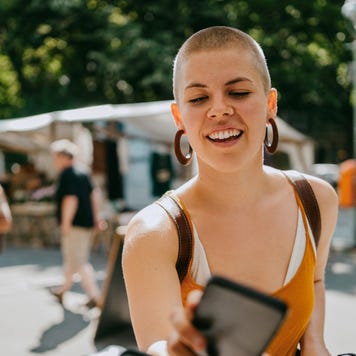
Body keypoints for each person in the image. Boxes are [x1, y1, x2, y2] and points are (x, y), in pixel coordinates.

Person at [122, 26, 338, 355]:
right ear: (179, 116)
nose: (219, 109)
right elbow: (157, 345)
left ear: (270, 103)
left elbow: (315, 281)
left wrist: (315, 343)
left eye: (237, 92)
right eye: (198, 98)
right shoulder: (156, 232)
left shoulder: (316, 201)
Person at [50, 139, 102, 308]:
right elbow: (94, 196)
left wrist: (65, 223)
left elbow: (70, 200)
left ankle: (95, 296)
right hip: (86, 223)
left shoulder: (67, 174)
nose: (55, 161)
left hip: (75, 225)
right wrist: (96, 218)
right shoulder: (83, 172)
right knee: (72, 258)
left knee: (79, 261)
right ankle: (63, 289)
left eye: (56, 157)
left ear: (63, 156)